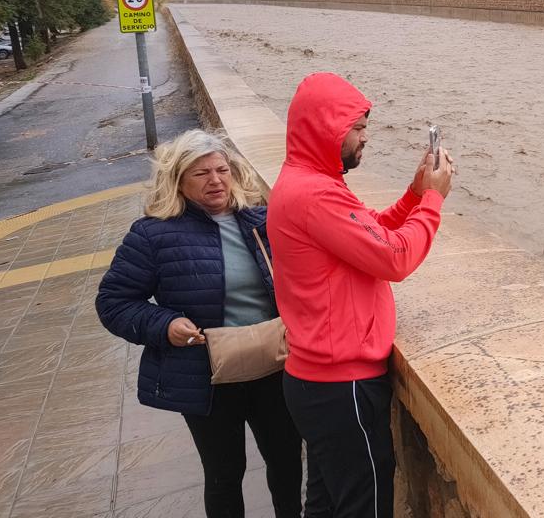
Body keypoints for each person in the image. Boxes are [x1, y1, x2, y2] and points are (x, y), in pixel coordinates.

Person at [267, 72, 454, 518]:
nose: (365, 137)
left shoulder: (307, 181)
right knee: (363, 505)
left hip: (315, 379)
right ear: (325, 128)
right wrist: (433, 201)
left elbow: (374, 230)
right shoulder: (315, 194)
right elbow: (395, 258)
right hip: (341, 385)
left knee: (327, 502)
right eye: (357, 127)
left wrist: (413, 194)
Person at [96, 130, 302, 518]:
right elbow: (113, 302)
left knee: (288, 462)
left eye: (222, 169)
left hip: (274, 365)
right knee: (225, 474)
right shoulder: (153, 235)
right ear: (177, 181)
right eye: (201, 173)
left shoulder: (261, 220)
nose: (216, 180)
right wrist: (165, 324)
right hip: (206, 376)